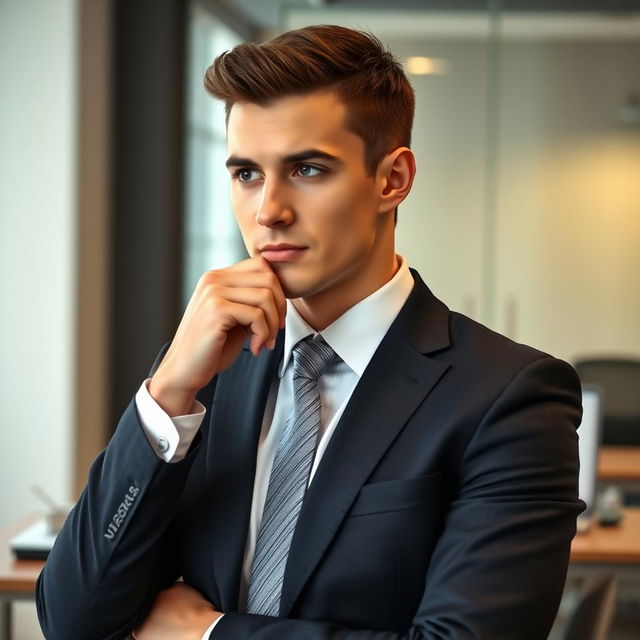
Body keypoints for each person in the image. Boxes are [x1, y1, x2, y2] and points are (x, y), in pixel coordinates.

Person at [36, 24, 583, 640]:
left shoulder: (511, 396)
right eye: (246, 174)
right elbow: (73, 621)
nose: (269, 210)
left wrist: (211, 634)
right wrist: (164, 397)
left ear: (392, 180)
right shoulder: (204, 373)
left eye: (307, 168)